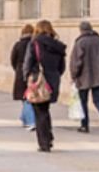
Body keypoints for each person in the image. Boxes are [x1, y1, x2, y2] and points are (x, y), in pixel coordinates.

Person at [22, 20, 66, 152]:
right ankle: (48, 136)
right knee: (45, 110)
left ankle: (44, 142)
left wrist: (27, 78)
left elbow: (28, 62)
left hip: (38, 80)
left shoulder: (34, 43)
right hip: (53, 79)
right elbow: (61, 67)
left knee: (39, 111)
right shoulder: (58, 46)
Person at [70, 21, 99, 134]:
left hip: (84, 76)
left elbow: (76, 62)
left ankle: (85, 126)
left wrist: (74, 75)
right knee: (98, 100)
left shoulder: (80, 43)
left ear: (81, 30)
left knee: (83, 101)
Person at [9, 24, 36, 130]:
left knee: (25, 98)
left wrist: (17, 69)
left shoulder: (18, 45)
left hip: (20, 72)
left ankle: (29, 120)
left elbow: (13, 59)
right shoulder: (34, 44)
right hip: (32, 72)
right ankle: (26, 118)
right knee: (29, 97)